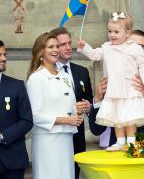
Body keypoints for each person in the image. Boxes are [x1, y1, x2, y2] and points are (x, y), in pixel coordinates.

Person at [78, 12, 144, 151]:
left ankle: (131, 141)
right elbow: (95, 54)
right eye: (110, 31)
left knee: (130, 117)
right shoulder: (107, 47)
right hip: (113, 89)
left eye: (116, 32)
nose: (112, 35)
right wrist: (85, 47)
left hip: (130, 88)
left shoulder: (134, 48)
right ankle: (120, 141)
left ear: (127, 33)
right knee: (116, 116)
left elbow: (143, 64)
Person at [89, 30, 144, 146]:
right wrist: (98, 99)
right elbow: (96, 130)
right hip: (118, 156)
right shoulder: (111, 79)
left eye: (139, 47)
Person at [26, 32, 83, 179]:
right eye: (50, 47)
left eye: (57, 46)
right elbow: (35, 115)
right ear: (41, 52)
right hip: (47, 140)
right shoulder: (36, 78)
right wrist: (66, 120)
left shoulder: (63, 75)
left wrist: (79, 109)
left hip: (66, 138)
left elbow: (65, 105)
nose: (56, 50)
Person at [50, 27, 93, 179]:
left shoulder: (82, 71)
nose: (68, 47)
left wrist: (88, 107)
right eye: (63, 44)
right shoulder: (46, 73)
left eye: (69, 43)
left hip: (77, 138)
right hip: (56, 136)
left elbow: (90, 100)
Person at [0, 40, 33, 179]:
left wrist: (2, 136)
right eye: (0, 55)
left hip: (12, 162)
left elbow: (27, 120)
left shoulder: (16, 86)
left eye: (4, 54)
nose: (4, 58)